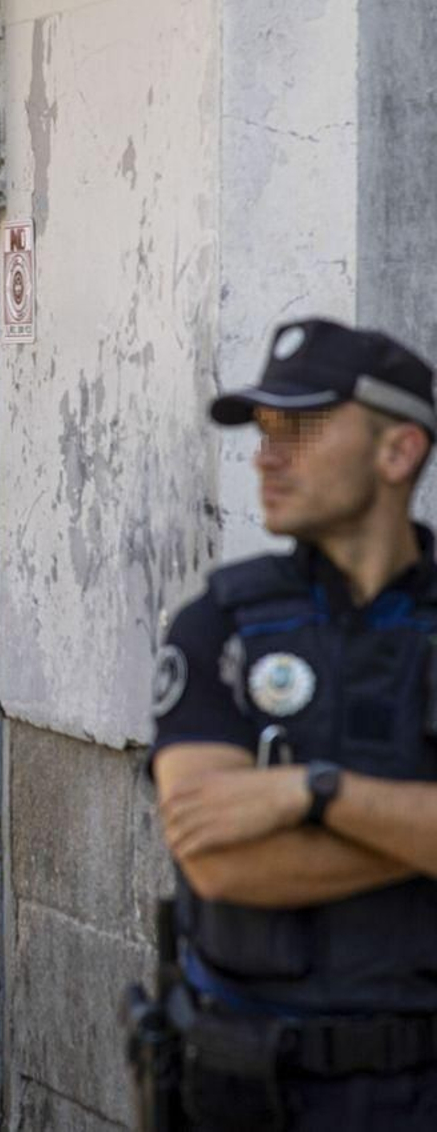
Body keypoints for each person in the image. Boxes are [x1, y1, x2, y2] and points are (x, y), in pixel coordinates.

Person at [146, 319, 437, 1129]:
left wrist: (311, 794)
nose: (266, 456)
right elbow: (221, 863)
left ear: (398, 452)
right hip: (253, 1088)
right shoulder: (222, 624)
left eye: (301, 428)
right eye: (265, 431)